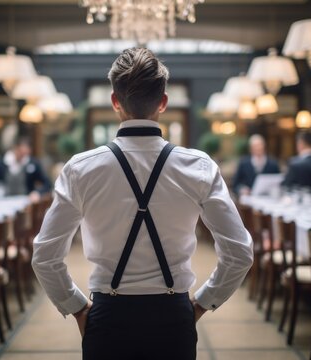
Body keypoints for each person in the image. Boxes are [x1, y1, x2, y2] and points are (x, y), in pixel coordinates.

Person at [31, 48, 253, 360]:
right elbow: (239, 253)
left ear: (114, 102)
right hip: (173, 315)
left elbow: (44, 258)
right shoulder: (198, 166)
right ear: (163, 102)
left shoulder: (80, 168)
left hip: (107, 316)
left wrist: (78, 309)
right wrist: (202, 303)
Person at [0, 137, 52, 202]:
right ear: (15, 148)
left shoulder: (33, 163)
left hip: (25, 201)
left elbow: (47, 183)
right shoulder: (0, 163)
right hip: (3, 200)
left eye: (25, 153)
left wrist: (37, 193)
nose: (23, 156)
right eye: (21, 152)